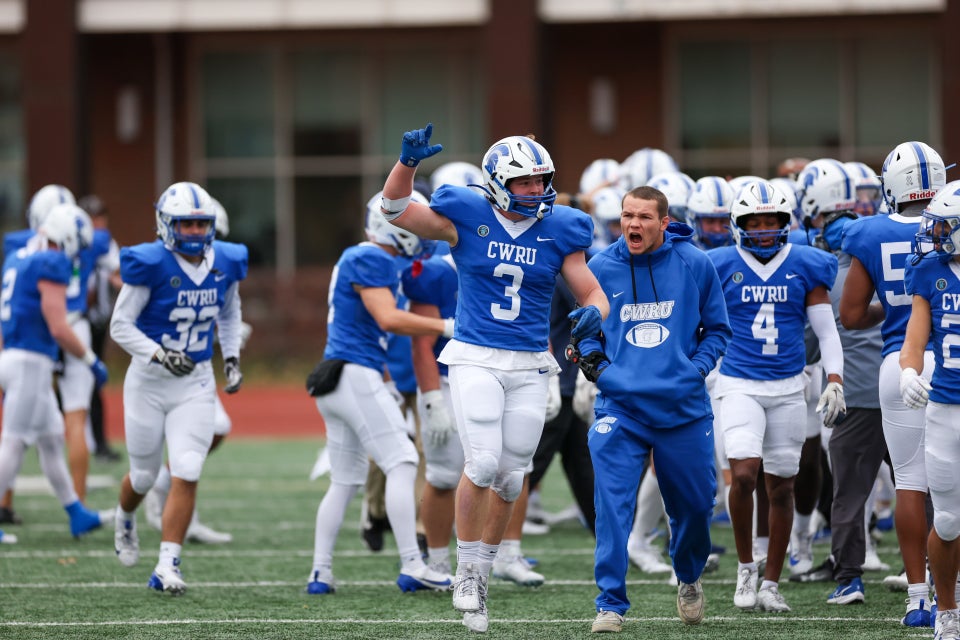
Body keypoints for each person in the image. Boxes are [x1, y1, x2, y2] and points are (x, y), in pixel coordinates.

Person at [381, 124, 609, 633]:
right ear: (499, 182)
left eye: (540, 180)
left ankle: (481, 578)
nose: (535, 190)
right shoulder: (467, 214)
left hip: (530, 363)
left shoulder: (562, 227)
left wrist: (596, 315)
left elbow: (592, 294)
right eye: (524, 182)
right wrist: (407, 165)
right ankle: (464, 571)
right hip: (477, 356)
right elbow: (394, 209)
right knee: (481, 463)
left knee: (510, 477)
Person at [570, 185, 729, 631]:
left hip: (683, 408)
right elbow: (586, 333)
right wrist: (596, 366)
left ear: (664, 221)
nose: (633, 224)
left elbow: (717, 329)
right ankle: (610, 603)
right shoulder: (598, 267)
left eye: (643, 217)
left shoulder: (695, 262)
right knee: (611, 505)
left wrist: (694, 369)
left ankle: (689, 576)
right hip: (621, 409)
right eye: (627, 216)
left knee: (697, 507)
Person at [305, 190, 454, 597]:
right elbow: (388, 319)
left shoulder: (373, 258)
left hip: (345, 375)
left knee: (345, 478)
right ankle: (413, 564)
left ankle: (320, 572)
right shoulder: (370, 257)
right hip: (353, 375)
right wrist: (444, 328)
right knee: (404, 460)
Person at [709, 179, 845, 614]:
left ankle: (772, 580)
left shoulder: (806, 263)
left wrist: (835, 378)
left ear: (788, 223)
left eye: (773, 221)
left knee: (782, 485)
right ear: (739, 223)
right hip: (738, 382)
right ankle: (746, 567)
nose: (765, 229)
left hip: (789, 385)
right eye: (756, 221)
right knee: (744, 474)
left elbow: (826, 330)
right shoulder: (718, 264)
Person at [109, 181, 247, 595]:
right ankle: (124, 518)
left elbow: (230, 310)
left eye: (200, 224)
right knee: (144, 475)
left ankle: (167, 564)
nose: (194, 232)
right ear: (166, 225)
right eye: (185, 224)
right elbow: (120, 325)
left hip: (196, 380)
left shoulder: (225, 259)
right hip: (149, 384)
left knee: (187, 469)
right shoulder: (149, 263)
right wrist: (158, 354)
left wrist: (233, 357)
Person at [840, 141, 946, 626]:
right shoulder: (950, 223)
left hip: (896, 362)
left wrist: (899, 310)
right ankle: (954, 590)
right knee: (954, 485)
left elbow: (853, 314)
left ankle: (917, 597)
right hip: (949, 360)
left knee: (909, 481)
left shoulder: (868, 231)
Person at [788, 160, 888, 602]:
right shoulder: (891, 260)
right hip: (910, 388)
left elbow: (812, 345)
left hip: (856, 396)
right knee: (921, 487)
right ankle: (929, 570)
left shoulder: (827, 275)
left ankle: (849, 576)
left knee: (848, 493)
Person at [0, 203, 109, 543]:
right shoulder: (52, 261)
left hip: (17, 356)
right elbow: (59, 327)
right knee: (14, 443)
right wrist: (91, 359)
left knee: (51, 439)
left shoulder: (18, 257)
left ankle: (76, 512)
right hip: (31, 363)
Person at [142, 196, 247, 545]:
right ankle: (155, 490)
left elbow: (220, 306)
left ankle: (174, 502)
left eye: (206, 229)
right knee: (162, 450)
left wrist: (228, 344)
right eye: (193, 227)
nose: (202, 238)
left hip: (195, 370)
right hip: (157, 368)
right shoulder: (162, 262)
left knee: (200, 440)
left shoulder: (217, 260)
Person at [901, 180, 960, 639]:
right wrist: (908, 371)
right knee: (947, 519)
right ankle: (945, 610)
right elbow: (914, 341)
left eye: (944, 226)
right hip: (945, 408)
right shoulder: (931, 273)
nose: (934, 233)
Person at [78, 194, 123, 463]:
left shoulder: (107, 243)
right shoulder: (70, 241)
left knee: (94, 381)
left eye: (100, 217)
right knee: (73, 384)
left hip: (96, 322)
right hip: (73, 321)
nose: (98, 223)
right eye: (92, 217)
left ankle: (97, 442)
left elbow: (117, 274)